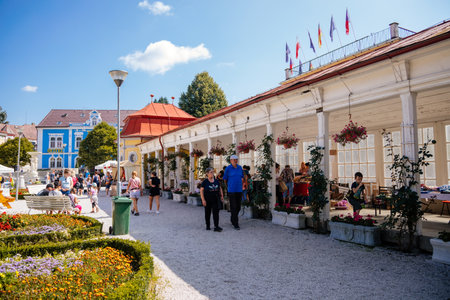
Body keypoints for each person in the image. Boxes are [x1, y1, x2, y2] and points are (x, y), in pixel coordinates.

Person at [223, 154, 244, 230]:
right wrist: (227, 186)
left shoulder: (240, 168)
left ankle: (232, 218)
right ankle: (236, 223)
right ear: (231, 160)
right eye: (234, 160)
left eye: (236, 160)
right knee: (234, 206)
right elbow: (225, 179)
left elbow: (242, 177)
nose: (236, 161)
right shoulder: (228, 168)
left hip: (239, 190)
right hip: (231, 190)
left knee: (238, 207)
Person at [201, 168, 223, 232]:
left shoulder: (216, 181)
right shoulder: (205, 181)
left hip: (215, 199)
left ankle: (216, 226)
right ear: (207, 173)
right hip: (207, 199)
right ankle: (208, 225)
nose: (212, 174)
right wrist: (203, 200)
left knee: (216, 213)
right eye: (211, 172)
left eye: (213, 172)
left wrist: (221, 196)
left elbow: (220, 188)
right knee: (207, 213)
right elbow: (201, 190)